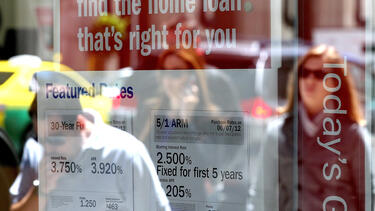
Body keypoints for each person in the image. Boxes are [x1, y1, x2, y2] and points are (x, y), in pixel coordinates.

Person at [11, 71, 172, 211]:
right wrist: (41, 192)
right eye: (41, 139)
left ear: (80, 125)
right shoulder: (35, 152)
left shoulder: (125, 154)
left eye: (56, 139)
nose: (48, 148)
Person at [255, 45, 371, 211]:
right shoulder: (277, 132)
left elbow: (368, 196)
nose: (309, 80)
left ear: (335, 82)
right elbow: (262, 194)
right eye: (304, 72)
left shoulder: (352, 135)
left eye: (319, 75)